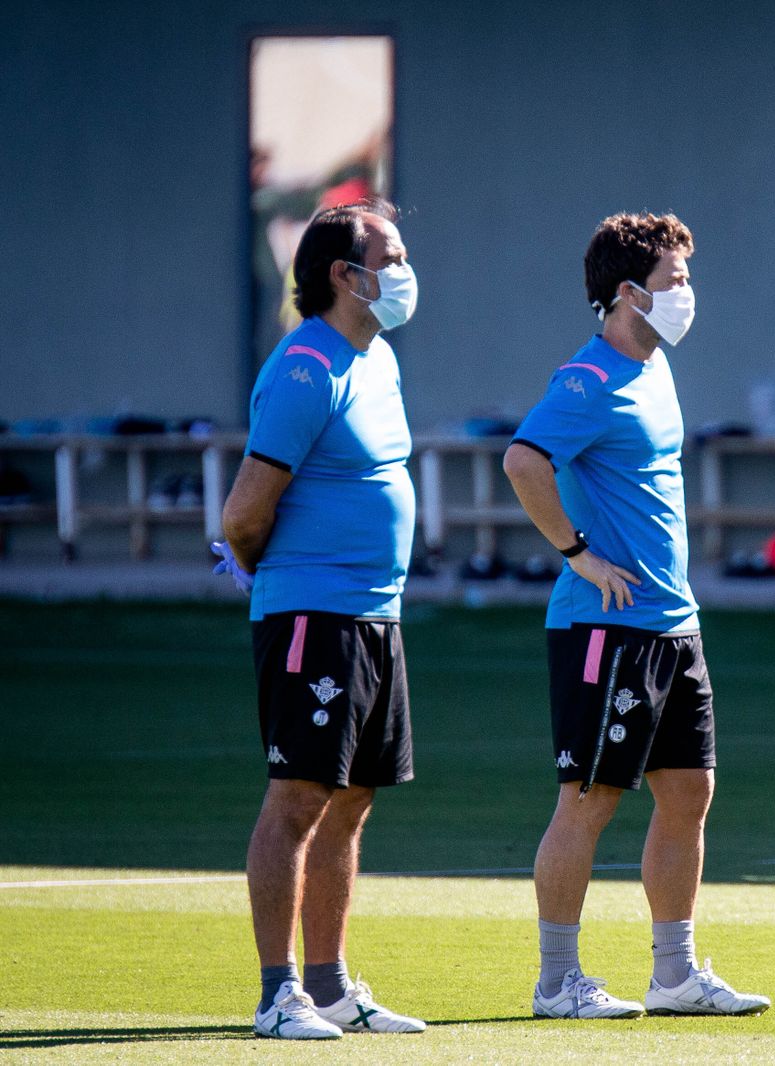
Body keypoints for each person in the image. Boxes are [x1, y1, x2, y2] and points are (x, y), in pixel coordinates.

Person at [503, 212, 770, 1020]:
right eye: (674, 282)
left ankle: (675, 975)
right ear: (627, 293)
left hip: (671, 625)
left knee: (690, 791)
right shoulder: (586, 380)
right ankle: (558, 982)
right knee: (587, 802)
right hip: (605, 628)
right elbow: (522, 461)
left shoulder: (656, 369)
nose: (687, 295)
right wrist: (578, 552)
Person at [212, 197, 427, 1040]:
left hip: (376, 614)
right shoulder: (307, 365)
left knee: (352, 802)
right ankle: (278, 994)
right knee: (299, 798)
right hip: (315, 614)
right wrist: (284, 582)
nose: (406, 273)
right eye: (394, 257)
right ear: (345, 273)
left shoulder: (376, 360)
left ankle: (333, 988)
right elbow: (243, 512)